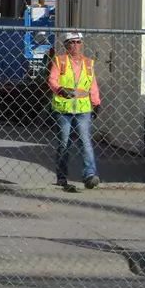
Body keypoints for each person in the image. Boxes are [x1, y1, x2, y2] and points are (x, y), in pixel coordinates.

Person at [48, 32, 101, 190]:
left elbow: (92, 84)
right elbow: (52, 79)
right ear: (66, 45)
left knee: (85, 142)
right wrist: (61, 90)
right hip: (64, 109)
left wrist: (96, 102)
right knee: (64, 144)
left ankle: (90, 175)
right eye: (72, 42)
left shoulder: (88, 64)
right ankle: (62, 177)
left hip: (83, 109)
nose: (76, 45)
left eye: (78, 42)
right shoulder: (60, 61)